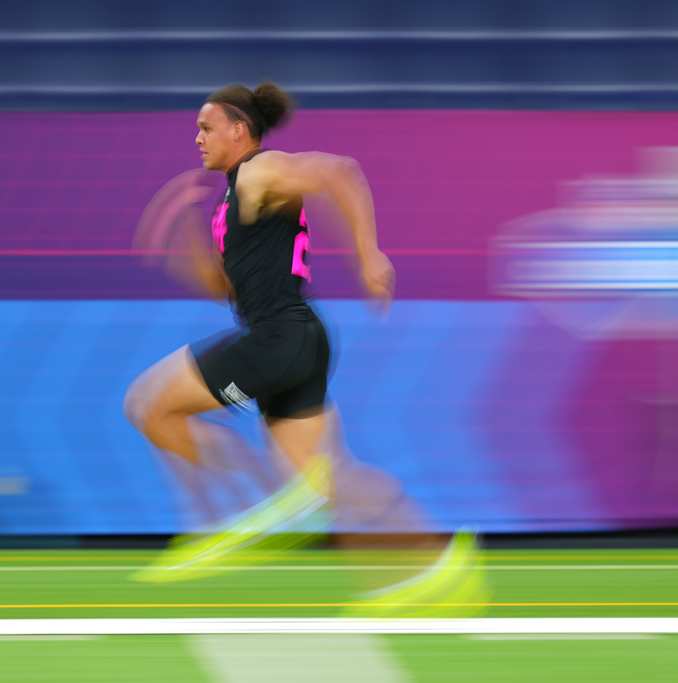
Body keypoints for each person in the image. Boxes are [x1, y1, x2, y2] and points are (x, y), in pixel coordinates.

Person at [124, 82, 487, 614]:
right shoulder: (232, 199)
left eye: (206, 128)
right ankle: (434, 563)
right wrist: (186, 246)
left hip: (280, 338)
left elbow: (341, 171)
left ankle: (242, 511)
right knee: (331, 478)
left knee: (150, 405)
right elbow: (229, 288)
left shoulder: (260, 170)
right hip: (296, 340)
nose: (197, 138)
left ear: (238, 130)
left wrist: (369, 254)